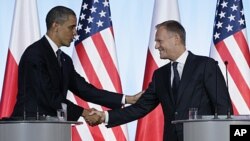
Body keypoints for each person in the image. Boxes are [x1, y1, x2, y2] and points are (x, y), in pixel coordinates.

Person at [86, 20, 233, 141]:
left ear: (176, 39)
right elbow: (141, 107)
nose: (156, 46)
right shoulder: (159, 75)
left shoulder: (205, 65)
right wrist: (105, 116)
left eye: (159, 41)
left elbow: (223, 107)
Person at [11, 6, 141, 122]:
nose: (75, 33)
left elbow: (85, 90)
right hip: (29, 126)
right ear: (55, 26)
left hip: (54, 127)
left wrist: (128, 99)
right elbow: (48, 96)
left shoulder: (64, 60)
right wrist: (84, 113)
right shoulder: (35, 54)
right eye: (71, 27)